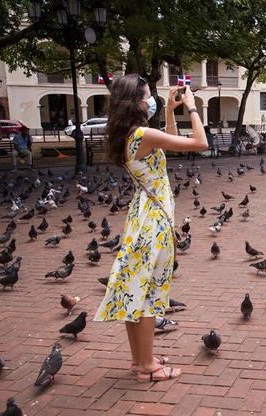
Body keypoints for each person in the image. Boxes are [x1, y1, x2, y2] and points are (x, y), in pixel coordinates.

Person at [94, 74, 208, 382]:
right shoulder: (143, 133)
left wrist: (170, 111)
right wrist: (193, 108)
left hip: (143, 215)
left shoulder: (130, 134)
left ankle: (140, 359)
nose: (151, 101)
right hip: (153, 220)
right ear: (137, 103)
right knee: (145, 294)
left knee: (136, 291)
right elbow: (200, 143)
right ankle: (147, 367)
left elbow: (168, 143)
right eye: (148, 98)